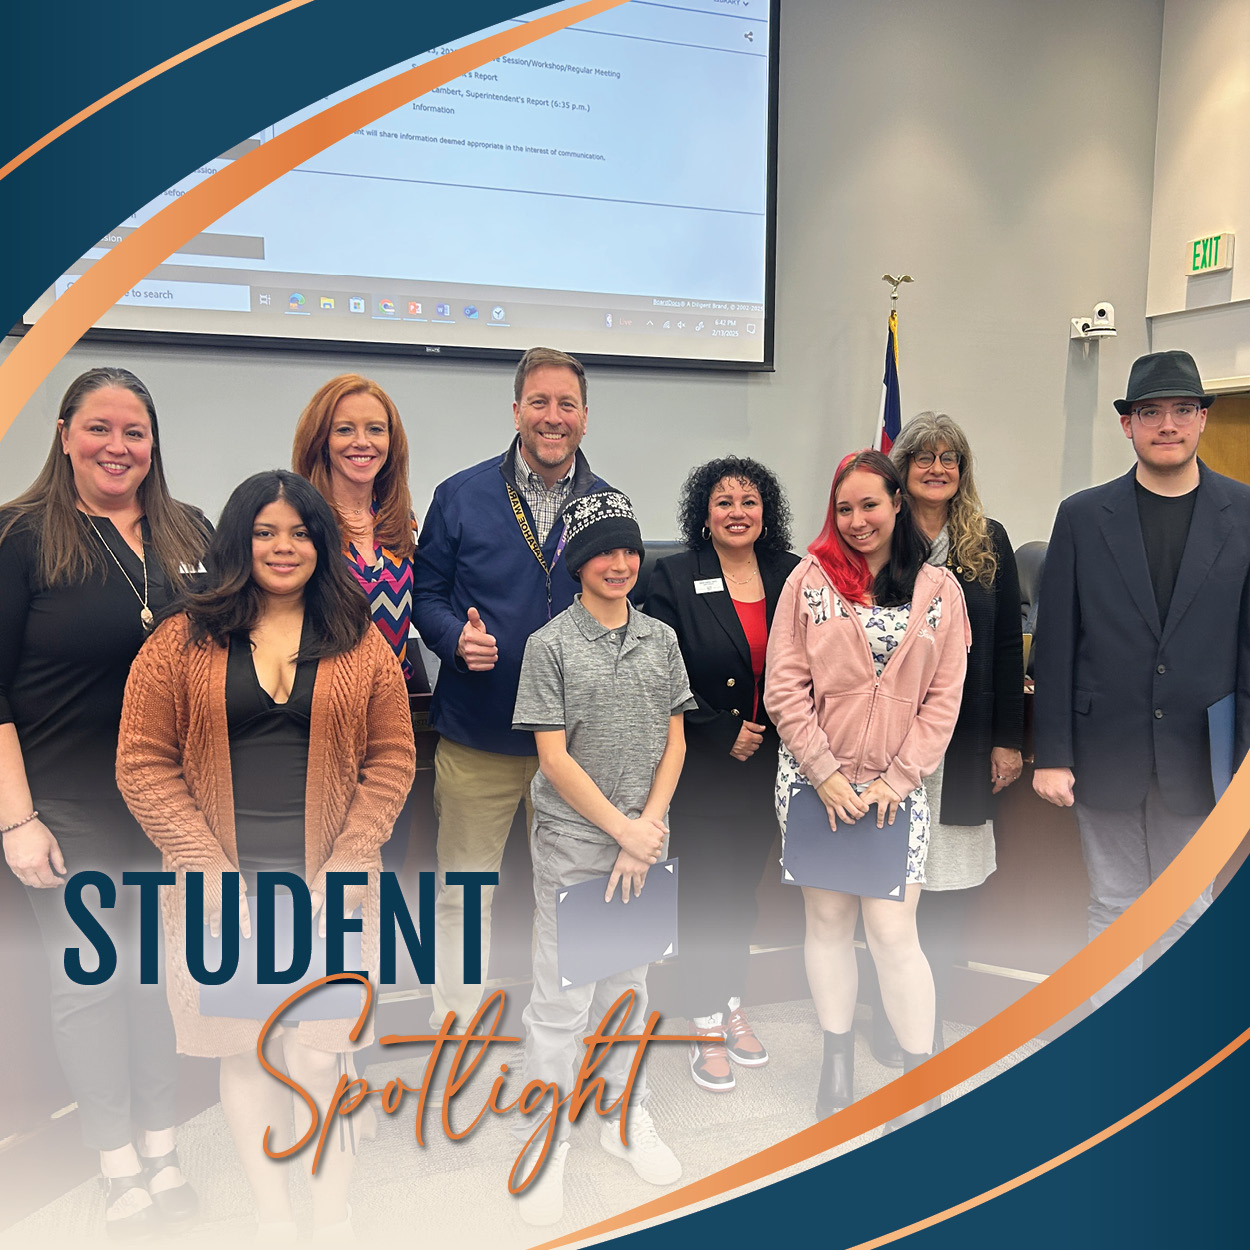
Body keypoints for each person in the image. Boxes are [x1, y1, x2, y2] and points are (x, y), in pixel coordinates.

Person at [116, 470, 415, 1239]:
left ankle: (328, 1206)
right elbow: (141, 763)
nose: (284, 548)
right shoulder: (179, 641)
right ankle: (274, 1213)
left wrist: (351, 860)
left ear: (323, 543)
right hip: (223, 894)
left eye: (300, 532)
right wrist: (207, 869)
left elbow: (392, 760)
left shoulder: (361, 642)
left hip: (330, 892)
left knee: (321, 1059)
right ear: (238, 542)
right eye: (264, 532)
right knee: (249, 1054)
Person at [0, 367, 209, 1235]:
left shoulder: (188, 532)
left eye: (134, 431)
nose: (117, 447)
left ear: (153, 444)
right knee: (92, 981)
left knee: (158, 980)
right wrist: (16, 818)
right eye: (99, 429)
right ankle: (116, 1161)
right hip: (67, 808)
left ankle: (162, 1144)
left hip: (170, 809)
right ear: (63, 433)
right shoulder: (21, 537)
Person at [1032, 350, 1250, 1004]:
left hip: (1201, 757)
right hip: (1106, 754)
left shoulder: (1243, 512)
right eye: (1150, 412)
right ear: (1127, 425)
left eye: (1182, 410)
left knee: (1188, 912)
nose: (1167, 424)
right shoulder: (1081, 516)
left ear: (1202, 419)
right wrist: (1053, 755)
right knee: (1115, 906)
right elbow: (1056, 642)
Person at [412, 346, 616, 1028]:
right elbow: (427, 594)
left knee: (575, 895)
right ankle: (455, 1033)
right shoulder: (460, 495)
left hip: (577, 748)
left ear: (584, 418)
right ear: (517, 410)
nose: (552, 417)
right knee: (463, 897)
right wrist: (451, 639)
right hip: (479, 736)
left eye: (566, 405)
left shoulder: (607, 505)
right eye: (539, 402)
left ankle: (564, 1033)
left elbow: (623, 609)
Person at [764, 450, 968, 1128]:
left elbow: (944, 700)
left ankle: (920, 1080)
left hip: (896, 791)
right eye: (843, 508)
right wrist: (822, 772)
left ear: (897, 505)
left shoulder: (941, 590)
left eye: (870, 506)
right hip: (815, 782)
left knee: (892, 931)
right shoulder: (809, 579)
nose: (856, 521)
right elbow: (784, 688)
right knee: (826, 924)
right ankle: (837, 1063)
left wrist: (896, 781)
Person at [510, 491, 695, 1225]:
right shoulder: (549, 645)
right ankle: (546, 1132)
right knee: (563, 999)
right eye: (603, 552)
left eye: (629, 551)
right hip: (577, 843)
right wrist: (622, 830)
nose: (619, 564)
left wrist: (647, 829)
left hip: (646, 842)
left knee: (628, 989)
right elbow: (553, 759)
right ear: (577, 562)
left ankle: (623, 1113)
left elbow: (677, 741)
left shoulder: (661, 640)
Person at [645, 456, 799, 1093]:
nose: (738, 512)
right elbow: (657, 671)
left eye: (750, 501)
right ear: (703, 515)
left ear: (766, 513)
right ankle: (704, 1016)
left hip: (772, 765)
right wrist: (717, 729)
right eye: (724, 501)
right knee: (705, 892)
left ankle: (731, 998)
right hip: (704, 765)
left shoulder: (792, 575)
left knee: (742, 892)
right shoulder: (672, 577)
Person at [886, 413, 1024, 1054]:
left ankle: (932, 1023)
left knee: (948, 876)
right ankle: (896, 1021)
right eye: (924, 458)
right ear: (903, 468)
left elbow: (1002, 651)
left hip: (965, 736)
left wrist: (1007, 739)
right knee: (890, 883)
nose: (937, 468)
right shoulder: (878, 533)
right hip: (893, 738)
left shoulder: (987, 539)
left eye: (950, 458)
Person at [292, 373, 424, 874]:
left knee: (381, 863)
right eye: (345, 429)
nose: (362, 443)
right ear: (320, 439)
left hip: (390, 724)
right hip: (315, 722)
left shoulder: (400, 522)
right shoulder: (298, 521)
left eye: (376, 429)